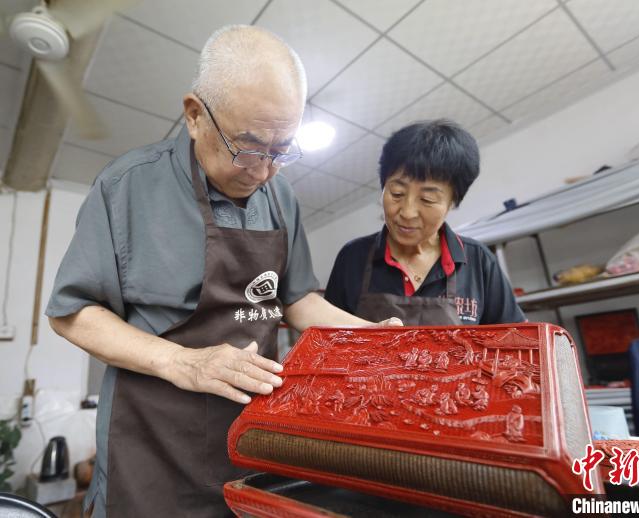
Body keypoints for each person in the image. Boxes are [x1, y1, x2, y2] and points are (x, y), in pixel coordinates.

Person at [46, 26, 399, 518]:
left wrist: (373, 338)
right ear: (194, 116)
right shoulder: (127, 187)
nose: (264, 171)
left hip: (252, 438)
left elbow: (296, 298)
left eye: (281, 152)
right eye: (249, 148)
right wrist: (181, 362)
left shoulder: (281, 197)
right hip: (150, 448)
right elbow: (71, 312)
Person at [325, 119, 525, 326]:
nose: (408, 212)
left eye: (427, 199)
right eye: (397, 193)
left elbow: (513, 342)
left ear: (452, 202)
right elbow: (328, 341)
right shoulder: (352, 257)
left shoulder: (478, 260)